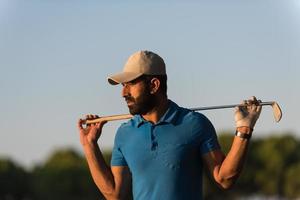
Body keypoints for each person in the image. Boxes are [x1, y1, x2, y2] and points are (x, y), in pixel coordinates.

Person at [77, 50, 262, 200]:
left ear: (154, 85)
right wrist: (89, 145)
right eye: (123, 86)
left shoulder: (195, 124)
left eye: (130, 84)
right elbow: (114, 194)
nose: (123, 93)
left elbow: (224, 179)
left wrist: (244, 129)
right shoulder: (124, 134)